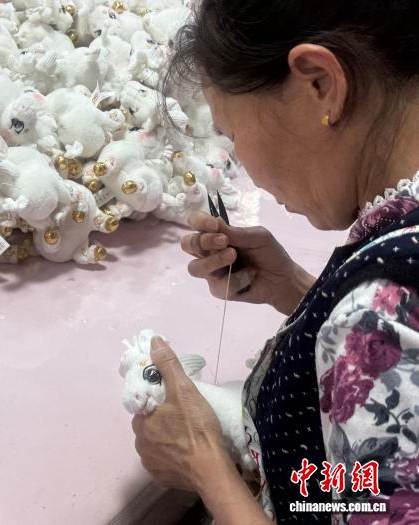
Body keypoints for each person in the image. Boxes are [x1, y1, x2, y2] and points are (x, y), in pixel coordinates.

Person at [131, 1, 419, 524]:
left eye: (234, 135)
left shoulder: (377, 313)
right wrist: (297, 289)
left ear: (319, 85)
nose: (250, 171)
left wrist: (203, 464)